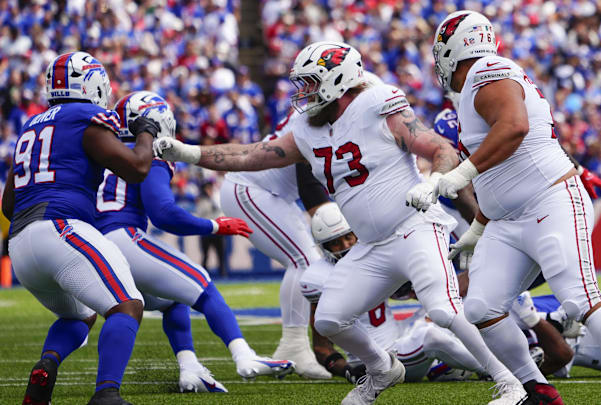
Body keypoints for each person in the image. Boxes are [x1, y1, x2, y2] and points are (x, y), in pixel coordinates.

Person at [154, 40, 525, 405]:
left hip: (414, 226)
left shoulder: (378, 104)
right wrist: (190, 153)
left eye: (311, 82)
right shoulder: (307, 128)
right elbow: (251, 156)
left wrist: (433, 183)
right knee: (330, 320)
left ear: (338, 79)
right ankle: (382, 369)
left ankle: (510, 382)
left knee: (444, 309)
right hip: (372, 244)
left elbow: (439, 148)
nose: (304, 93)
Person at [422, 11, 601, 405]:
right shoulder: (481, 83)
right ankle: (538, 389)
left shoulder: (488, 70)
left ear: (453, 49)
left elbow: (514, 128)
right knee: (481, 307)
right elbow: (500, 178)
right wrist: (478, 227)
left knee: (579, 297)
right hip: (508, 219)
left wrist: (459, 175)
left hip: (549, 200)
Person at [96, 91, 294, 390]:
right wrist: (215, 226)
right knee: (201, 282)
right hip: (122, 237)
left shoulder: (103, 151)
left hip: (92, 246)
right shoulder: (150, 153)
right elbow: (163, 214)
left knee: (171, 298)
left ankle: (190, 368)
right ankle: (245, 356)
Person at [3, 52, 157, 405]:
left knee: (81, 313)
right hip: (60, 228)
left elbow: (8, 205)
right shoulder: (85, 116)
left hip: (21, 245)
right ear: (93, 85)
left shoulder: (33, 124)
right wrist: (146, 133)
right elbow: (136, 168)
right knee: (127, 305)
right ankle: (106, 394)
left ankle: (47, 365)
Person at [301, 202, 498, 385]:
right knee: (430, 336)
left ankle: (453, 363)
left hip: (400, 339)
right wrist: (349, 370)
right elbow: (321, 347)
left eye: (348, 237)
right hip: (380, 357)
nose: (344, 247)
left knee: (448, 307)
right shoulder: (319, 277)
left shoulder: (368, 255)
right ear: (323, 246)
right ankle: (493, 368)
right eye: (335, 242)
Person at [218, 109, 331, 380]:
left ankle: (300, 345)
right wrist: (330, 221)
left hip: (274, 193)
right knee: (305, 262)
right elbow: (308, 180)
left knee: (309, 261)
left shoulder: (319, 110)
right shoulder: (318, 117)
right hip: (250, 188)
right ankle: (294, 344)